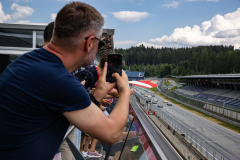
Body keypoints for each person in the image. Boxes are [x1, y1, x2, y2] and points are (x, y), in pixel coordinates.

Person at [0, 2, 130, 160]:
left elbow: (55, 118)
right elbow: (111, 134)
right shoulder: (60, 80)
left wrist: (98, 95)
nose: (98, 48)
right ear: (89, 43)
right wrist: (124, 92)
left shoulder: (26, 62)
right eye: (99, 42)